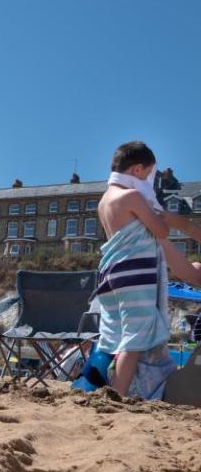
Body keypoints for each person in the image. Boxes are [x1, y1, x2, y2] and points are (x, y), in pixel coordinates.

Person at [95, 141, 201, 398]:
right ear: (138, 169)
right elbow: (161, 230)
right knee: (135, 337)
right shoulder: (132, 197)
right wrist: (163, 219)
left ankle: (112, 387)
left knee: (118, 334)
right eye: (149, 174)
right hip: (135, 275)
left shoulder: (103, 202)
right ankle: (117, 395)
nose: (150, 182)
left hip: (111, 274)